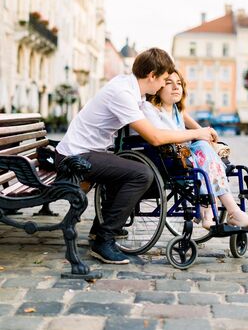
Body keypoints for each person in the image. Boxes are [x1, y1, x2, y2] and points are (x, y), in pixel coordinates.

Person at [55, 48, 218, 265]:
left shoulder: (133, 89)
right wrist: (198, 134)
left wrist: (203, 131)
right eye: (163, 79)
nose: (163, 85)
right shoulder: (123, 93)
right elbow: (155, 137)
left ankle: (99, 228)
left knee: (149, 176)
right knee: (141, 174)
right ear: (151, 75)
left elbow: (174, 109)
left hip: (92, 152)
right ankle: (104, 241)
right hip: (75, 157)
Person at [141, 69, 248, 230]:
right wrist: (200, 136)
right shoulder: (150, 109)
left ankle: (214, 212)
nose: (176, 87)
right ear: (159, 86)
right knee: (202, 150)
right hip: (167, 159)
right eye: (169, 83)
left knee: (204, 149)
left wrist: (209, 137)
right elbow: (162, 136)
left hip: (187, 157)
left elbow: (199, 130)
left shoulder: (178, 111)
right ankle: (230, 212)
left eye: (179, 84)